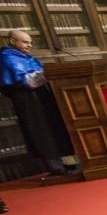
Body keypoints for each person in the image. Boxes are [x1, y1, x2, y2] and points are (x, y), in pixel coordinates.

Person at [0, 30, 75, 174]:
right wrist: (41, 76)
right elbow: (22, 81)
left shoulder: (26, 57)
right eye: (25, 42)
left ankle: (65, 162)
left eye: (30, 42)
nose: (29, 45)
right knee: (40, 132)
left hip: (41, 98)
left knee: (53, 128)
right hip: (28, 101)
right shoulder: (7, 57)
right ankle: (55, 167)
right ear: (12, 42)